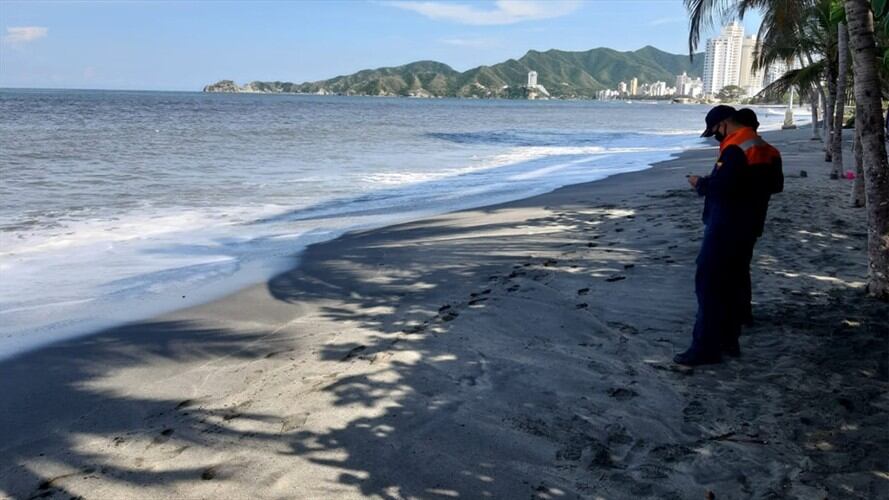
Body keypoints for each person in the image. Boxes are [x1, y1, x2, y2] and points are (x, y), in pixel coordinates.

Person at [676, 105, 782, 366]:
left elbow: (723, 188)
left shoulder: (736, 147)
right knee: (733, 282)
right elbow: (775, 185)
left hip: (726, 225)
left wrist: (700, 183)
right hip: (751, 223)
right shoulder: (765, 147)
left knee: (710, 285)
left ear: (724, 124)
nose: (714, 136)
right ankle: (728, 341)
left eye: (714, 131)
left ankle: (705, 348)